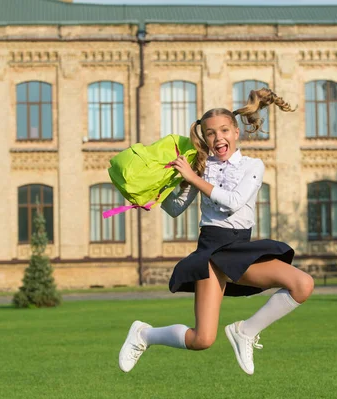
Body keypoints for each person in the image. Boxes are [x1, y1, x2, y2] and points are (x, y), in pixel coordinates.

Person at [118, 88, 315, 375]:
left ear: (236, 132)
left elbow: (234, 202)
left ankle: (245, 331)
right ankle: (143, 335)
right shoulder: (199, 167)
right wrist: (155, 193)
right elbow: (175, 209)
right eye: (210, 133)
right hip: (211, 251)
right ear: (204, 137)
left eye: (224, 130)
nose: (218, 138)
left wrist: (193, 179)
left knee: (303, 285)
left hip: (238, 249)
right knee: (202, 339)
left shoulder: (252, 166)